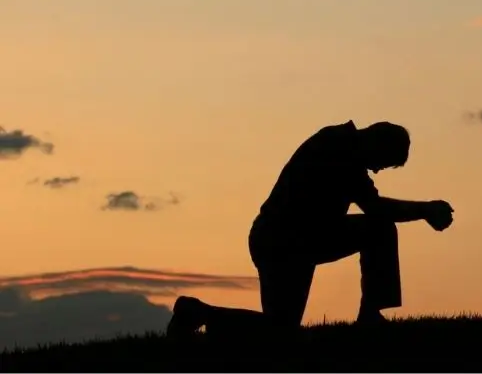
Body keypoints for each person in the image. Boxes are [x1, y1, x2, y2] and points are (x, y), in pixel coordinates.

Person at [165, 120, 454, 337]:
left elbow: (373, 206)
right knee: (380, 229)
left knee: (281, 330)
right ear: (376, 143)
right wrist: (425, 210)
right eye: (382, 163)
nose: (377, 171)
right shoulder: (339, 149)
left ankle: (198, 313)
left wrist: (423, 210)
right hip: (285, 241)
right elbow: (376, 208)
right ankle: (370, 317)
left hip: (297, 238)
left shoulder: (341, 145)